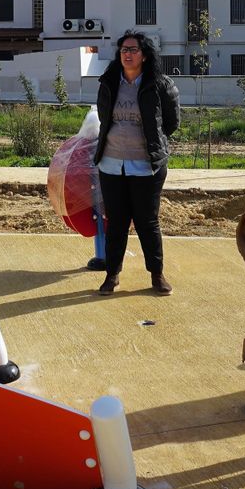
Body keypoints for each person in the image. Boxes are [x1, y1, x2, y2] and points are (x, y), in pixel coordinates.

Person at [92, 30, 181, 296]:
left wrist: (151, 141)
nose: (127, 54)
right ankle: (112, 275)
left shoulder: (160, 84)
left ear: (144, 55)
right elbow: (104, 116)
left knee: (147, 221)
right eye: (123, 50)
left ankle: (157, 274)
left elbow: (171, 123)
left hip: (147, 165)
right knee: (116, 221)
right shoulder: (108, 82)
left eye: (133, 50)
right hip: (111, 164)